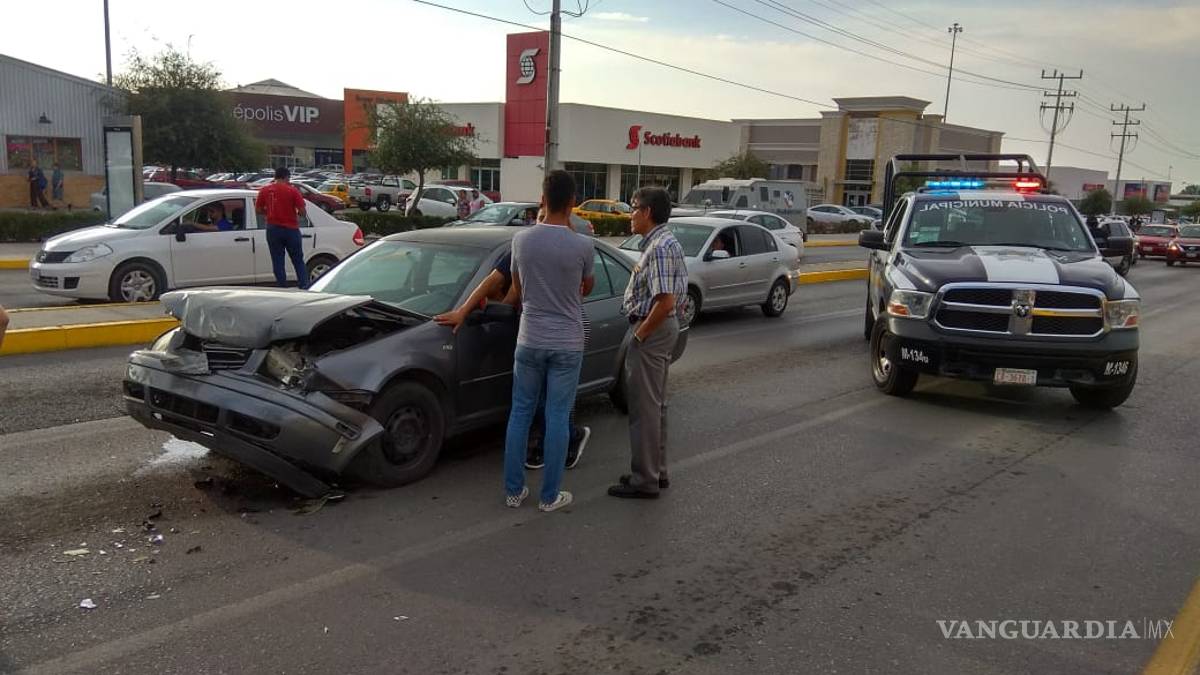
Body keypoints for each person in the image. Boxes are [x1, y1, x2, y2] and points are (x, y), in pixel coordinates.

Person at [501, 170, 594, 512]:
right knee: (556, 415)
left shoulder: (520, 241)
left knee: (520, 413)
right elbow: (587, 287)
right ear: (572, 203)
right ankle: (549, 496)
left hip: (529, 339)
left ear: (542, 199)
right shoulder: (584, 245)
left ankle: (514, 491)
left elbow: (518, 288)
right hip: (568, 342)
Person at [608, 186, 688, 500]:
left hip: (652, 331)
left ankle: (645, 479)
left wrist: (639, 336)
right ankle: (655, 471)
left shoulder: (661, 246)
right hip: (656, 329)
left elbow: (665, 302)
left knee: (644, 408)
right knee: (654, 406)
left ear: (648, 212)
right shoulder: (658, 243)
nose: (630, 215)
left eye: (634, 208)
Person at [255, 167, 309, 288]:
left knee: (277, 261)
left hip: (273, 229)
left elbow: (258, 210)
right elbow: (302, 212)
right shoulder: (293, 191)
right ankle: (304, 286)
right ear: (286, 177)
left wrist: (269, 212)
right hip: (291, 229)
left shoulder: (264, 190)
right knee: (298, 260)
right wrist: (295, 213)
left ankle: (282, 287)